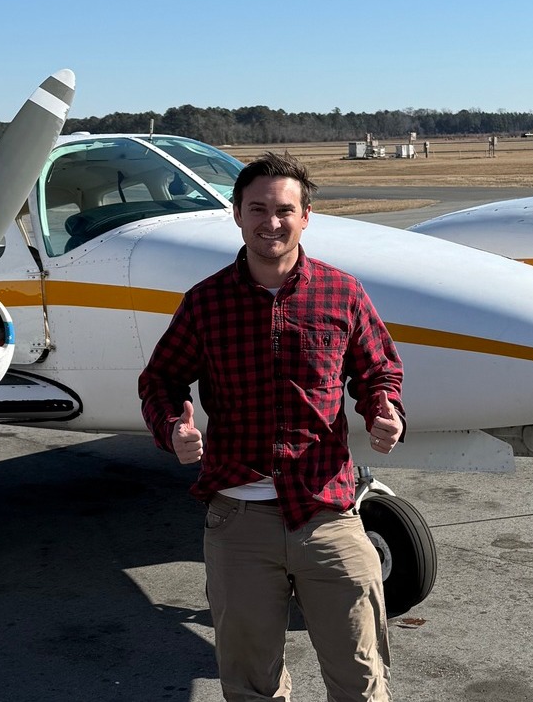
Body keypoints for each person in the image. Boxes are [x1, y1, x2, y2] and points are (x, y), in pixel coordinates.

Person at [139, 151, 405, 701]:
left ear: (306, 217)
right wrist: (172, 429)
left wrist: (384, 409)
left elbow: (377, 367)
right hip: (239, 522)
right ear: (237, 214)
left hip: (328, 511)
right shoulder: (206, 303)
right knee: (251, 685)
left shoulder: (342, 293)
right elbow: (160, 379)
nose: (271, 221)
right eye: (257, 208)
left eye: (284, 209)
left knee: (362, 680)